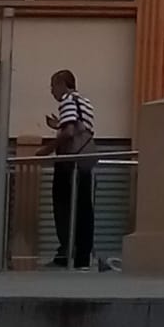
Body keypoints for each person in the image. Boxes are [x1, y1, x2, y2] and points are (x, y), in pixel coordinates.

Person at [36, 69, 95, 269]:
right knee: (83, 208)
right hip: (85, 160)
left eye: (53, 86)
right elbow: (79, 127)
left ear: (62, 84)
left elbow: (70, 132)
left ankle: (65, 254)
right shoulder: (85, 102)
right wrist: (57, 125)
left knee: (64, 207)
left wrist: (46, 150)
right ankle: (82, 258)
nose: (52, 91)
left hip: (70, 163)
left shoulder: (67, 101)